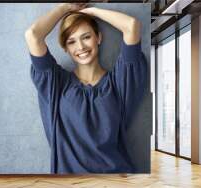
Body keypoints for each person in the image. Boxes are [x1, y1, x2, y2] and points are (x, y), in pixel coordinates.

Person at [24, 3, 147, 174]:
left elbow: (132, 26)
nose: (80, 47)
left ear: (99, 38)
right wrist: (65, 7)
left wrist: (91, 11)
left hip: (117, 184)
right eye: (71, 41)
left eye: (86, 36)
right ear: (66, 48)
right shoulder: (55, 83)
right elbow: (33, 35)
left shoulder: (120, 81)